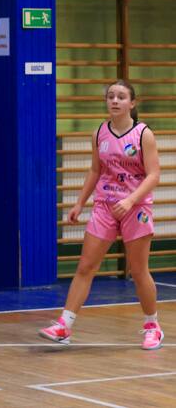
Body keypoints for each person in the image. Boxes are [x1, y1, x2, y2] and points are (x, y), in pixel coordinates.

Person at [40, 80, 162, 350]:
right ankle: (64, 325)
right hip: (105, 205)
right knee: (85, 266)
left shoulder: (143, 134)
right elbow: (96, 170)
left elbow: (154, 174)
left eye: (121, 97)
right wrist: (79, 203)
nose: (115, 101)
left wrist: (130, 200)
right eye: (111, 96)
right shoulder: (99, 133)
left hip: (135, 207)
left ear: (132, 103)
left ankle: (152, 326)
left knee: (139, 271)